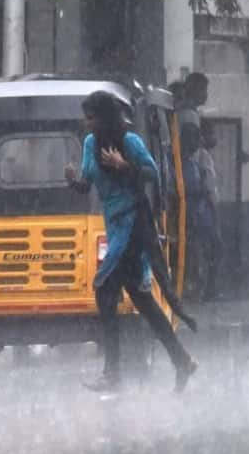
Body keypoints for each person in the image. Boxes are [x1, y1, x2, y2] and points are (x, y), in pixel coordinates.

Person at [65, 91, 198, 393]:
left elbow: (152, 174)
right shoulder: (89, 145)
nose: (88, 124)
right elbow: (87, 184)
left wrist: (125, 165)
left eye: (92, 118)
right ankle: (182, 360)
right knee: (143, 301)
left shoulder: (129, 141)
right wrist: (73, 180)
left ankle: (112, 372)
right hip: (115, 226)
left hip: (134, 225)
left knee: (104, 289)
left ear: (105, 117)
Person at [181, 123, 220, 301]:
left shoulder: (189, 159)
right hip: (197, 214)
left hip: (196, 214)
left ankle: (204, 289)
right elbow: (207, 188)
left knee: (203, 252)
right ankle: (203, 290)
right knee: (203, 252)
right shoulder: (193, 160)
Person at [195, 120, 222, 301]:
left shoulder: (198, 156)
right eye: (211, 133)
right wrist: (214, 209)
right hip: (205, 211)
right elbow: (209, 186)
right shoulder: (203, 156)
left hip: (202, 211)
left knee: (208, 251)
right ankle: (208, 291)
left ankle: (206, 290)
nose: (214, 138)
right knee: (214, 250)